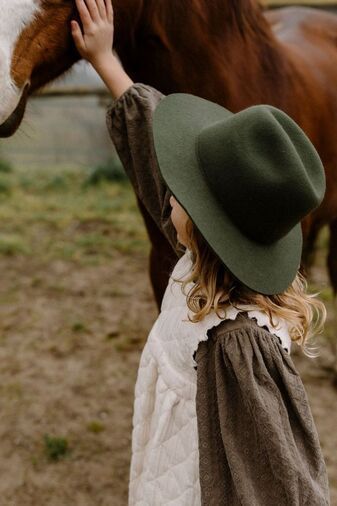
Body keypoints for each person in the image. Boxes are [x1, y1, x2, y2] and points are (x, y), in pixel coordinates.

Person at [71, 1, 331, 504]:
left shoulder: (238, 343)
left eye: (183, 191)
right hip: (167, 469)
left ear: (210, 226)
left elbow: (284, 476)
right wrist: (106, 61)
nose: (169, 193)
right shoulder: (199, 260)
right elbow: (152, 155)